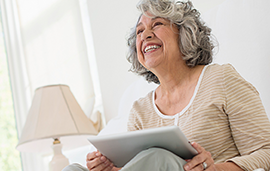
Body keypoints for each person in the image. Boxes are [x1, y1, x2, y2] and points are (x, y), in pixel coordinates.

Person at [63, 0, 270, 171]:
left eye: (157, 24)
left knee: (157, 156)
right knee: (72, 169)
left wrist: (214, 169)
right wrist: (111, 169)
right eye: (139, 31)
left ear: (185, 33)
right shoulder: (140, 111)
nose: (145, 35)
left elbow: (266, 153)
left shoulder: (221, 79)